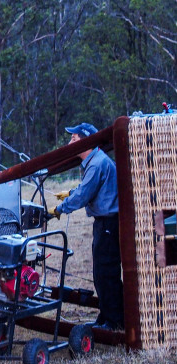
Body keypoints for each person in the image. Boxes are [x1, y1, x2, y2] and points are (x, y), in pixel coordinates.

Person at [48, 122, 125, 331]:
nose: (69, 143)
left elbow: (83, 195)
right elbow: (85, 189)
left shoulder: (97, 163)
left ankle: (114, 321)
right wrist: (70, 193)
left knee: (106, 272)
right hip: (104, 223)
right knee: (101, 272)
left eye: (74, 139)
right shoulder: (96, 161)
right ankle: (106, 316)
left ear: (87, 141)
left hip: (108, 223)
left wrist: (59, 209)